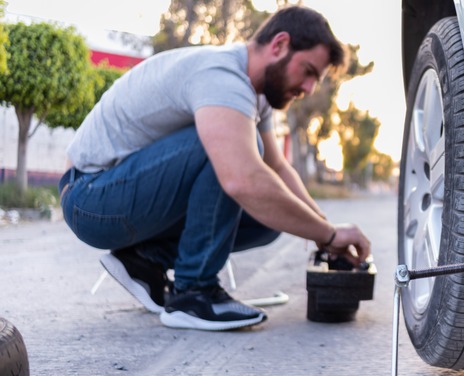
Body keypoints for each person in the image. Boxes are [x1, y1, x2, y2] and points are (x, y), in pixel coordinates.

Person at [58, 6, 371, 331]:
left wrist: (323, 230)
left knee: (272, 217)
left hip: (115, 196)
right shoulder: (222, 76)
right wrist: (328, 234)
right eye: (308, 71)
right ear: (279, 45)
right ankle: (193, 293)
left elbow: (277, 168)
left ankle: (146, 260)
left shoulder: (256, 94)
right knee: (238, 157)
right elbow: (242, 178)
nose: (308, 89)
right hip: (89, 198)